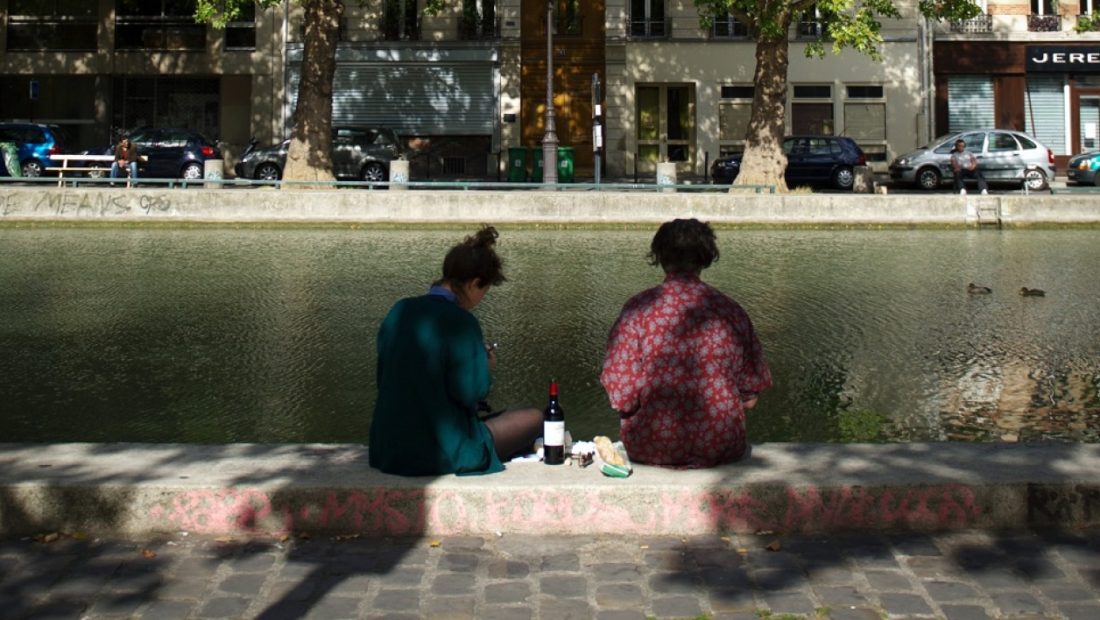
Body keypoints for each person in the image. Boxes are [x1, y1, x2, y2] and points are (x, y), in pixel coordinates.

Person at [369, 225, 543, 476]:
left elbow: (384, 376)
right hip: (439, 451)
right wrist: (484, 367)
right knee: (533, 418)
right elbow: (472, 392)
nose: (482, 298)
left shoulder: (400, 310)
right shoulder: (461, 322)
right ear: (474, 284)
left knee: (506, 416)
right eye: (485, 291)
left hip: (387, 448)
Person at [600, 218, 772, 468]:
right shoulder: (730, 310)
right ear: (706, 257)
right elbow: (750, 398)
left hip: (652, 445)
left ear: (659, 256)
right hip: (721, 445)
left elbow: (622, 395)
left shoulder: (638, 310)